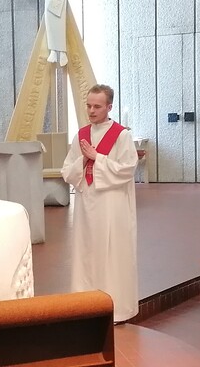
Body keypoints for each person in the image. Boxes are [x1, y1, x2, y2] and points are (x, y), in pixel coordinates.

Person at [61, 84, 139, 322]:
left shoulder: (121, 136)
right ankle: (85, 306)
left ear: (109, 107)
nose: (91, 111)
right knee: (86, 251)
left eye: (97, 106)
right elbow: (67, 170)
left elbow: (128, 169)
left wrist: (98, 158)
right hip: (87, 203)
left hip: (112, 204)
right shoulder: (81, 136)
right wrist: (84, 161)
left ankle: (116, 307)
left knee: (112, 252)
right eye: (88, 106)